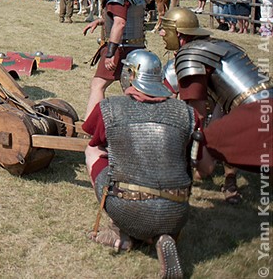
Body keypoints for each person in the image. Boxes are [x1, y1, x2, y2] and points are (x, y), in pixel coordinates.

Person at [83, 49, 198, 278]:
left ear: (131, 75)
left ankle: (120, 233)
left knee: (92, 150)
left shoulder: (110, 108)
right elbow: (198, 165)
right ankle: (160, 234)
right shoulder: (186, 112)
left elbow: (93, 136)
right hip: (176, 210)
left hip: (127, 205)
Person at [159, 7, 272, 203]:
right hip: (263, 103)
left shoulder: (189, 55)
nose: (161, 33)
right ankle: (230, 182)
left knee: (213, 141)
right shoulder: (217, 45)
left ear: (178, 33)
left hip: (253, 112)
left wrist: (198, 154)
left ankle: (180, 186)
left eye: (164, 28)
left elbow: (196, 116)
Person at [83, 0, 146, 119]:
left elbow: (120, 23)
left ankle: (91, 125)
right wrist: (101, 21)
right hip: (137, 47)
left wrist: (110, 53)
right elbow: (128, 16)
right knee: (131, 90)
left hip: (120, 48)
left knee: (98, 85)